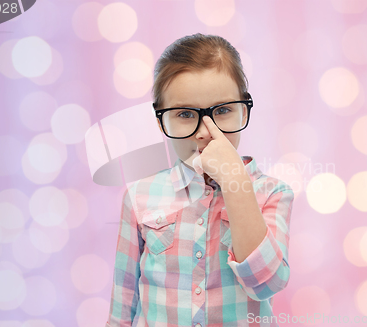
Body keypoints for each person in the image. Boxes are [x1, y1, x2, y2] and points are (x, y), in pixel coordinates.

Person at [106, 33, 294, 327]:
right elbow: (123, 302)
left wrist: (235, 182)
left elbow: (266, 285)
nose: (205, 132)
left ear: (244, 108)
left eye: (222, 111)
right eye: (184, 114)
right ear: (161, 121)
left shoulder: (272, 193)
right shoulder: (139, 196)